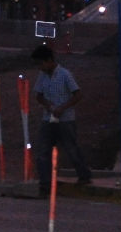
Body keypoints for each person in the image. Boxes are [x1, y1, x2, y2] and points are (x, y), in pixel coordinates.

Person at [30, 43, 94, 195]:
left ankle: (84, 175)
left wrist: (62, 108)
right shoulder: (42, 76)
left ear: (49, 60)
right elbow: (38, 96)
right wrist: (49, 106)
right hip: (48, 118)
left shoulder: (65, 74)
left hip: (66, 120)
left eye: (41, 63)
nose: (40, 67)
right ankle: (45, 183)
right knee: (42, 151)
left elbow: (78, 95)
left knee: (71, 148)